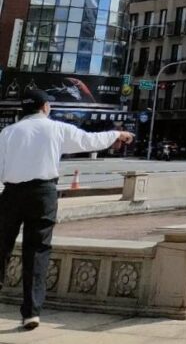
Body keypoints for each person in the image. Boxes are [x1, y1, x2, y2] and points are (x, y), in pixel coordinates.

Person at [0, 89, 134, 330]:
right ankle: (31, 312)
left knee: (1, 246)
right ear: (45, 107)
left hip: (11, 193)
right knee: (37, 250)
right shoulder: (56, 129)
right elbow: (89, 141)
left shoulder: (8, 133)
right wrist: (119, 134)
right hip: (43, 193)